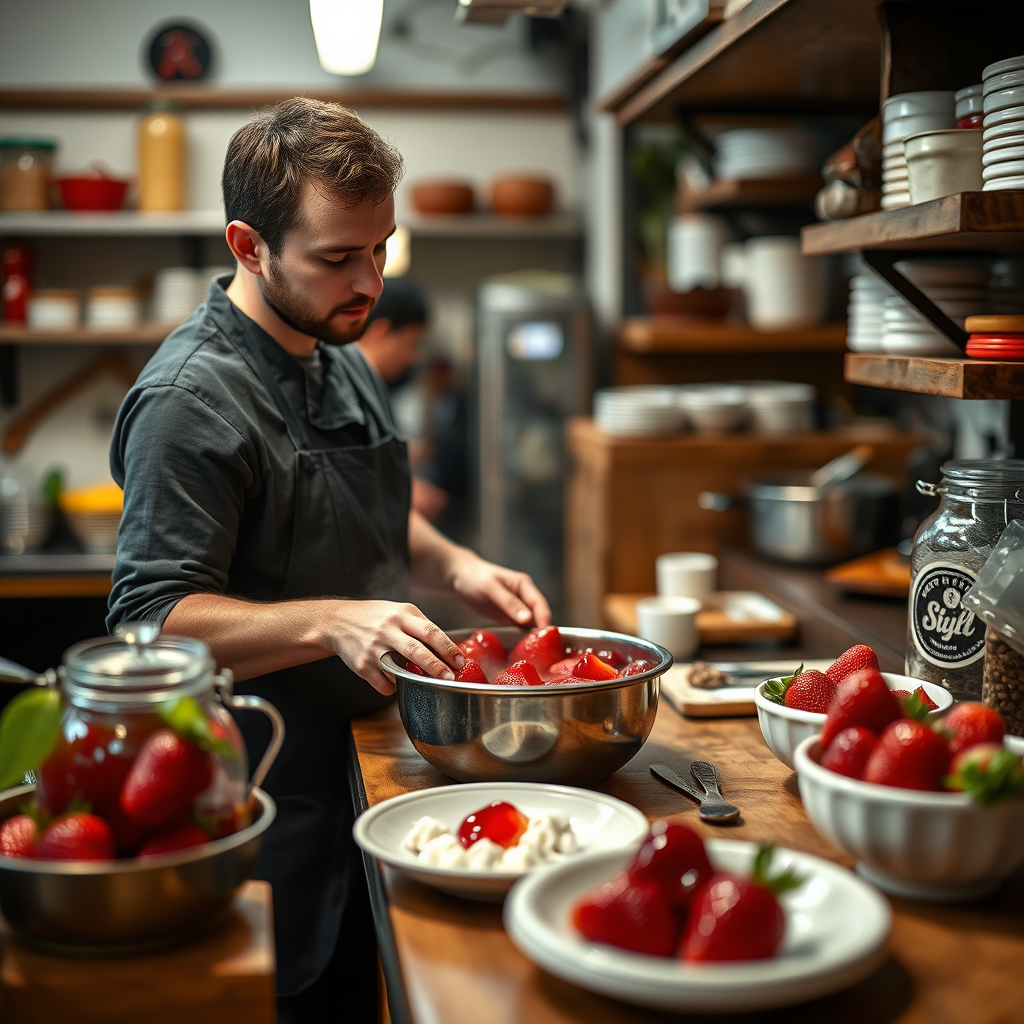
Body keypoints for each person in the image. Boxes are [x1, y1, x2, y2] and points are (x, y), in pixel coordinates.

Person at [106, 98, 550, 1024]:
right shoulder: (191, 401)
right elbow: (148, 622)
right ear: (248, 244)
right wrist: (333, 618)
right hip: (270, 803)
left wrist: (458, 564)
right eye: (338, 257)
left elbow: (367, 509)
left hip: (378, 773)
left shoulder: (334, 346)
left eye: (382, 247)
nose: (371, 281)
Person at [357, 277, 449, 521]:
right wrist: (404, 493)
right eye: (412, 344)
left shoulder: (372, 387)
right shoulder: (345, 390)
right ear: (382, 332)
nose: (413, 358)